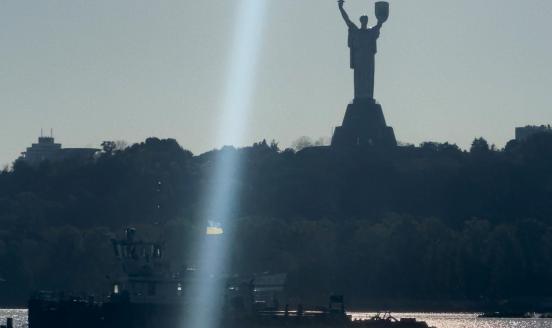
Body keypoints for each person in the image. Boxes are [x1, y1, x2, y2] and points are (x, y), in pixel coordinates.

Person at [338, 0, 384, 100]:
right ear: (361, 21)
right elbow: (347, 21)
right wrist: (341, 8)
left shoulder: (370, 32)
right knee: (359, 79)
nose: (364, 22)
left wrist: (381, 16)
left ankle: (367, 96)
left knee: (368, 78)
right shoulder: (356, 32)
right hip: (359, 60)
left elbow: (379, 25)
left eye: (365, 20)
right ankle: (359, 96)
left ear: (366, 22)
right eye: (363, 20)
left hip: (368, 61)